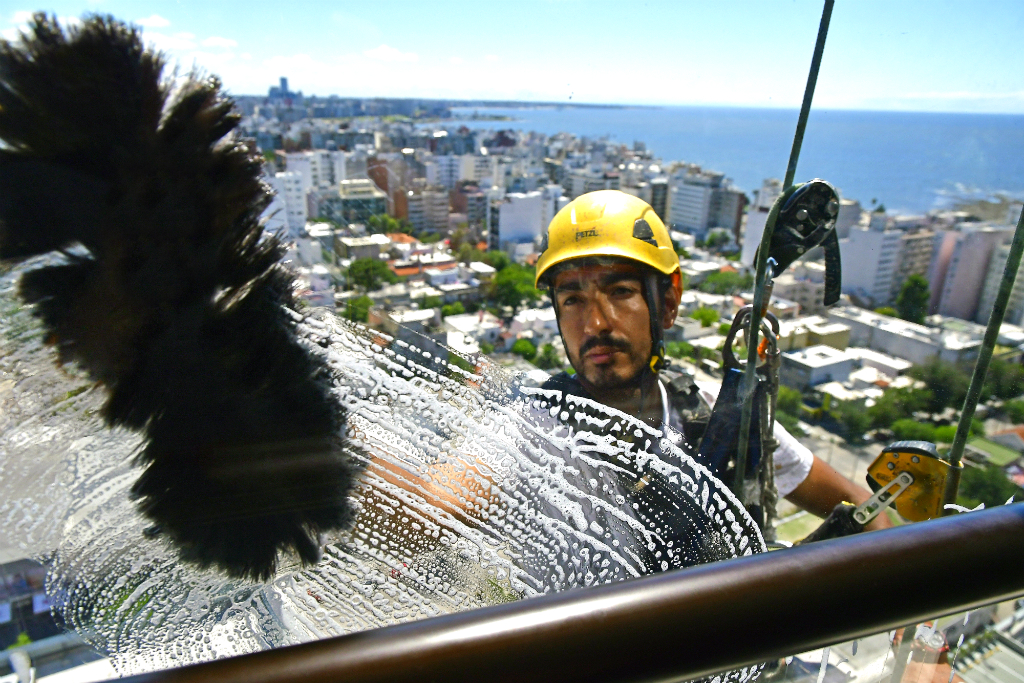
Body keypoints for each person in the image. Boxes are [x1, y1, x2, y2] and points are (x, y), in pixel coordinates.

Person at [533, 190, 892, 534]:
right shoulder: (531, 431)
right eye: (573, 300)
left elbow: (866, 512)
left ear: (669, 302)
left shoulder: (717, 420)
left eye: (621, 292)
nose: (596, 323)